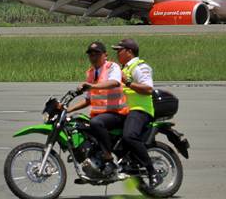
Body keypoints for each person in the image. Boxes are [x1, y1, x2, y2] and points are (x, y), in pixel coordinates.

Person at [65, 41, 129, 176]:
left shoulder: (112, 67)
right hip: (100, 115)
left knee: (95, 123)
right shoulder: (91, 72)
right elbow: (88, 99)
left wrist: (91, 86)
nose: (93, 56)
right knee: (79, 125)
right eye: (91, 54)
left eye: (97, 54)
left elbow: (114, 82)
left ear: (105, 55)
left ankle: (109, 159)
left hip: (117, 113)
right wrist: (68, 109)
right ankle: (92, 161)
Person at [112, 38, 162, 187]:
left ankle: (152, 172)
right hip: (124, 111)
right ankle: (122, 163)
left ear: (129, 52)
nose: (117, 54)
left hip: (140, 110)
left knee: (129, 136)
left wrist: (127, 82)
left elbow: (148, 89)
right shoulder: (124, 69)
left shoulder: (139, 67)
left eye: (119, 50)